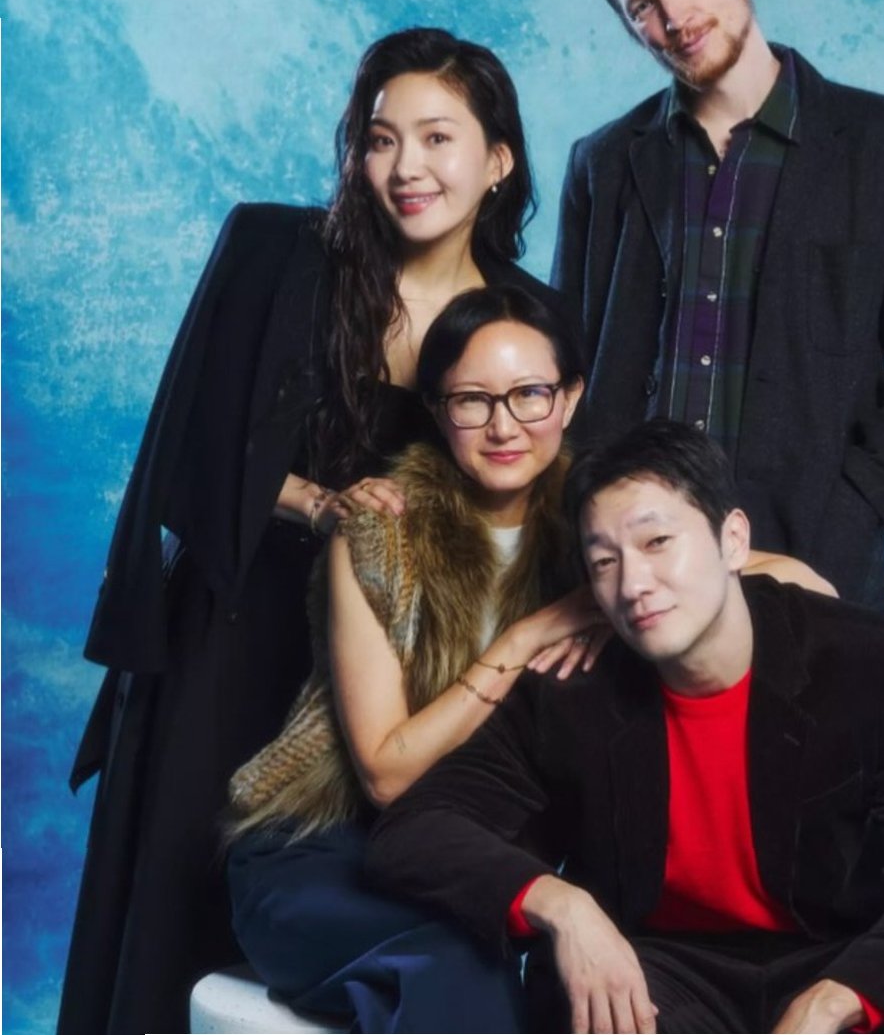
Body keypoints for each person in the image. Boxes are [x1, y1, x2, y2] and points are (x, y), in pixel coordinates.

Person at [58, 28, 572, 1035]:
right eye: (381, 139)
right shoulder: (275, 251)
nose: (407, 166)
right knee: (172, 924)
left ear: (499, 161)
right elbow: (184, 453)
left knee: (361, 924)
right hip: (237, 622)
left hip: (395, 661)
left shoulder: (525, 316)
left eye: (438, 137)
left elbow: (561, 484)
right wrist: (319, 503)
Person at [223, 288, 833, 1032]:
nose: (504, 425)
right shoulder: (380, 532)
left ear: (569, 398)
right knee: (457, 970)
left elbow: (801, 583)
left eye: (530, 394)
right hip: (324, 847)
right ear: (438, 409)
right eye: (472, 401)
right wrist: (525, 638)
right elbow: (386, 775)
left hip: (483, 856)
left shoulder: (601, 527)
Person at [366, 420, 884, 1035]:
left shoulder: (864, 660)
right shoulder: (572, 691)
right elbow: (416, 828)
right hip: (667, 973)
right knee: (587, 1006)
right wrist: (563, 906)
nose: (633, 583)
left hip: (836, 958)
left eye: (657, 542)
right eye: (604, 561)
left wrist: (839, 999)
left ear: (733, 540)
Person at [553, 0, 884, 613]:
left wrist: (853, 514)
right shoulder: (603, 164)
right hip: (632, 585)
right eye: (643, 5)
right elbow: (564, 367)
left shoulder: (881, 142)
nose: (676, 17)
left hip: (813, 565)